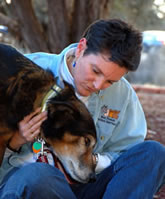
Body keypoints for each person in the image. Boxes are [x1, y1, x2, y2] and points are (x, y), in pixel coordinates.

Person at [0, 18, 165, 199]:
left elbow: (127, 155)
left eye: (110, 81)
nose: (98, 84)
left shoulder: (122, 93)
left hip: (90, 188)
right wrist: (15, 142)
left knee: (153, 154)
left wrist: (91, 160)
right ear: (81, 48)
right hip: (31, 185)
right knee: (38, 175)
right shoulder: (21, 72)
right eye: (95, 71)